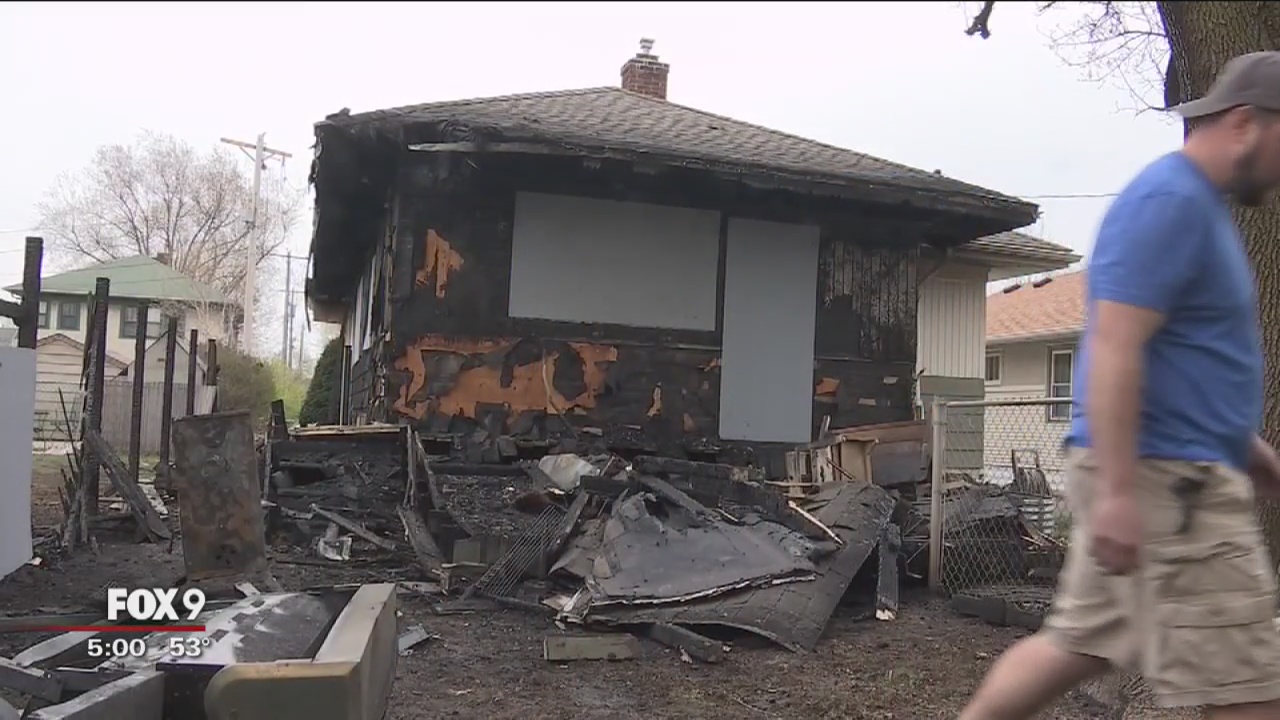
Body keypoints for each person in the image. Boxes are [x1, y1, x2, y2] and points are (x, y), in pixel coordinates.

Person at [959, 51, 1280, 720]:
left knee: (1078, 644)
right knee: (1248, 686)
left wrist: (1257, 459)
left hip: (1164, 469)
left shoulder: (1197, 211)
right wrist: (1117, 492)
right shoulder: (1172, 203)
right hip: (1170, 482)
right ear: (1247, 123)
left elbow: (1186, 370)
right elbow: (1113, 344)